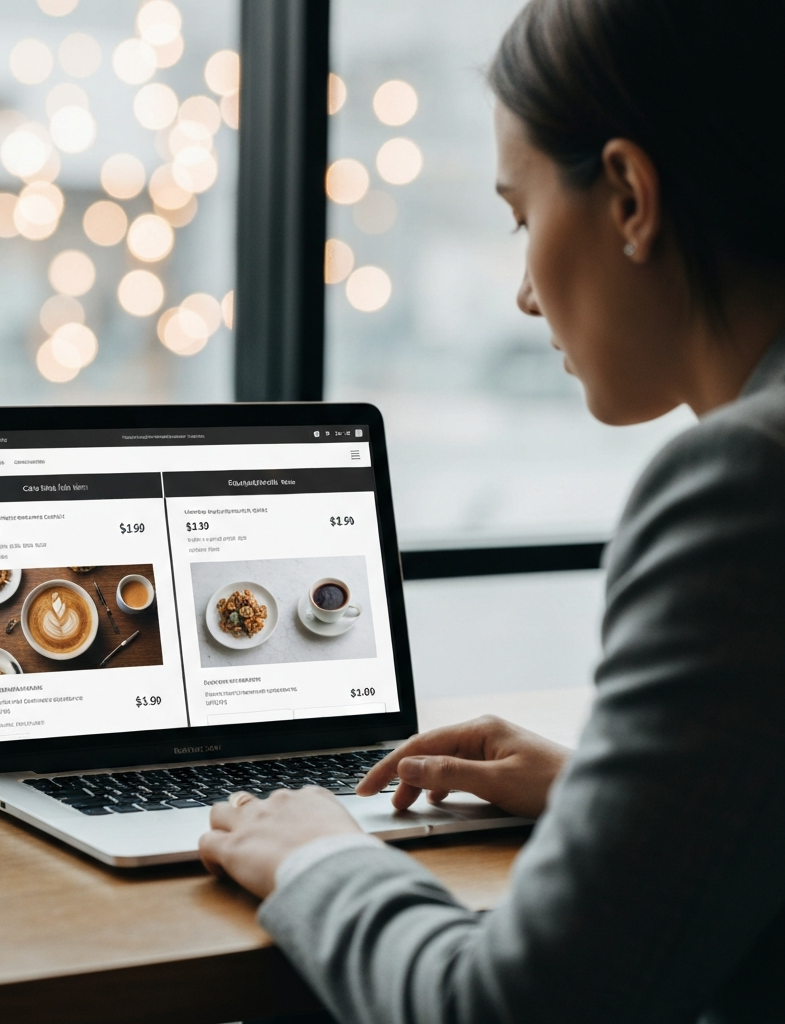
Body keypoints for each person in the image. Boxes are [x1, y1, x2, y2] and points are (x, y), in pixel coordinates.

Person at [199, 0, 785, 1021]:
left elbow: (507, 1008)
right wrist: (604, 798)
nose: (523, 292)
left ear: (628, 196)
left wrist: (321, 858)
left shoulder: (742, 484)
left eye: (522, 217)